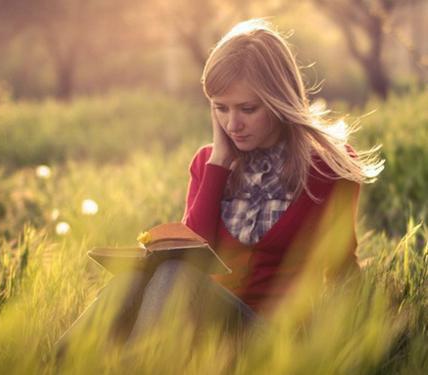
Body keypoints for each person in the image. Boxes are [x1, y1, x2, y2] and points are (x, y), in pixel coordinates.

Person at [55, 18, 383, 358]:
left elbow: (342, 262)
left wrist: (363, 342)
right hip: (208, 329)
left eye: (247, 109)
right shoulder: (208, 164)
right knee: (133, 279)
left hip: (273, 338)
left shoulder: (328, 166)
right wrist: (219, 164)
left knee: (177, 276)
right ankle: (55, 363)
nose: (232, 124)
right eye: (220, 108)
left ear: (278, 100)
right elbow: (192, 252)